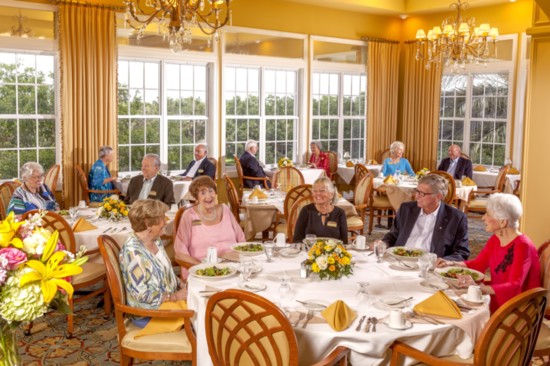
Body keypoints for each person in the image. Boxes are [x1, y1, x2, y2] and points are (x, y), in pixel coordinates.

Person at [436, 193, 540, 313]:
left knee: (458, 309)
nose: (483, 218)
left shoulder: (523, 245)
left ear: (503, 222)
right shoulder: (496, 238)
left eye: (488, 214)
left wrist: (482, 289)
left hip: (517, 307)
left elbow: (515, 285)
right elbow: (478, 264)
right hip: (498, 295)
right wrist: (451, 263)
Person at [119, 199, 186, 327]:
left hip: (167, 304)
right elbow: (141, 295)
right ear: (148, 223)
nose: (165, 222)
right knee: (200, 318)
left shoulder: (155, 240)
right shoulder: (133, 254)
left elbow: (167, 273)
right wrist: (175, 297)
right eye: (162, 219)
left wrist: (182, 285)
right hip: (149, 313)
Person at [374, 174, 470, 261]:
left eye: (422, 194)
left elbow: (462, 253)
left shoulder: (456, 218)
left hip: (428, 266)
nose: (417, 196)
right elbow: (393, 235)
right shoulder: (406, 209)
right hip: (399, 260)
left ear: (439, 196)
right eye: (417, 191)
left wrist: (445, 261)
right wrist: (383, 243)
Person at [174, 176, 246, 267]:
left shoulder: (225, 210)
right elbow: (180, 254)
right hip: (203, 269)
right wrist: (204, 268)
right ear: (196, 197)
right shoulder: (189, 216)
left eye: (211, 191)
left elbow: (241, 240)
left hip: (233, 265)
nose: (208, 196)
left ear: (215, 193)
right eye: (203, 193)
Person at [293, 176, 348, 244]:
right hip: (308, 252)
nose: (318, 194)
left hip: (333, 253)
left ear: (331, 194)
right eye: (315, 191)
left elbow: (344, 242)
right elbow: (297, 239)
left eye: (322, 191)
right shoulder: (306, 211)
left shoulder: (340, 213)